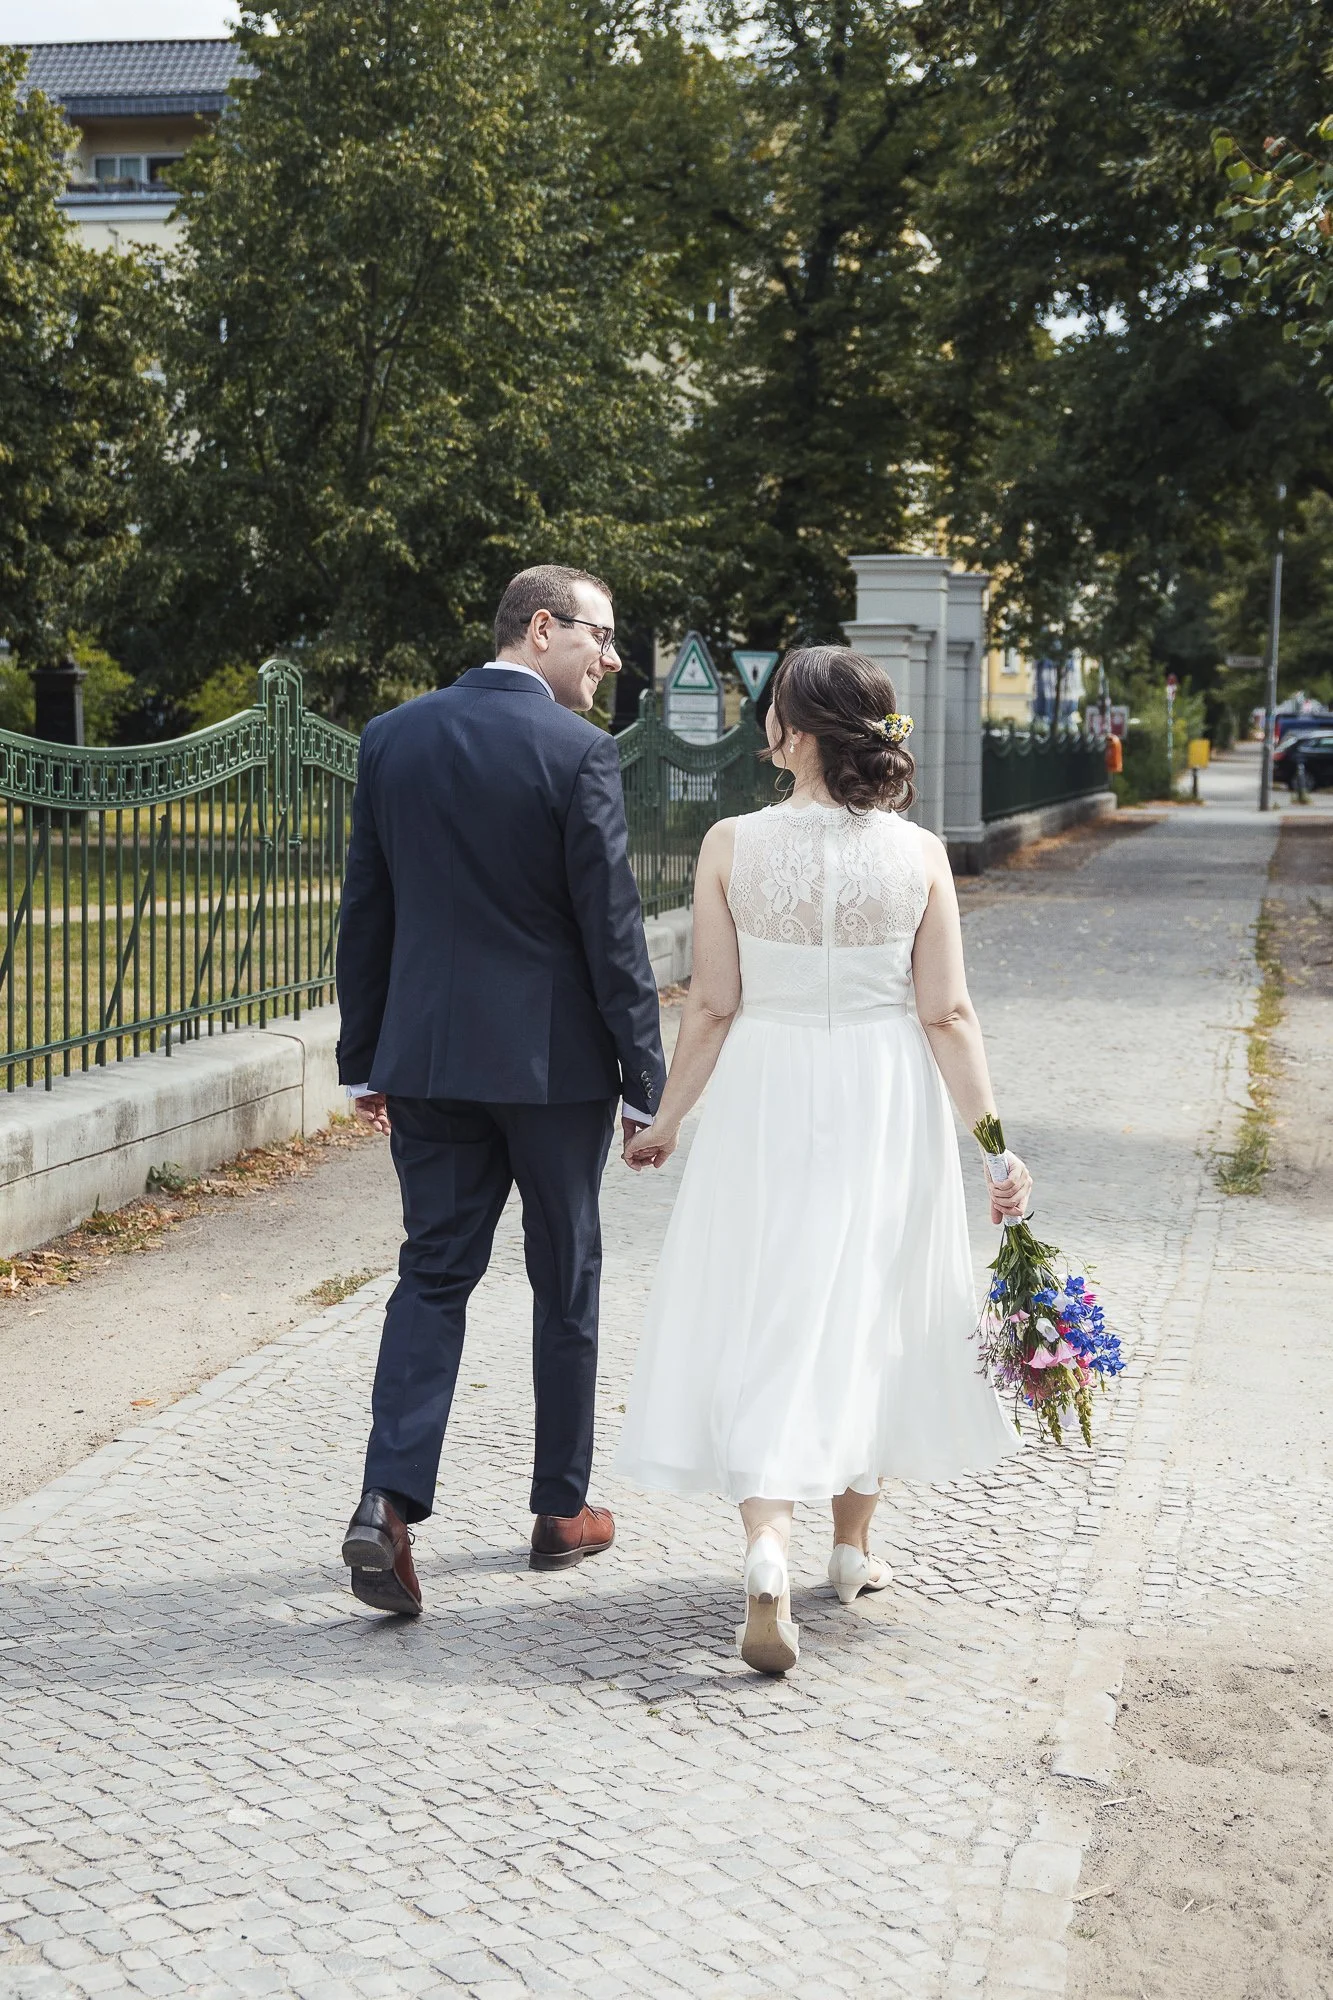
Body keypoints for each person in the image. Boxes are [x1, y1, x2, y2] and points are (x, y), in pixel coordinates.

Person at [616, 646, 1032, 1675]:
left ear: (789, 732)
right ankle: (850, 1549)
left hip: (768, 1088)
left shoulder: (729, 844)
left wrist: (666, 1118)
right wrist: (995, 1148)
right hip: (886, 1093)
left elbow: (712, 1003)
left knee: (771, 1306)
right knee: (872, 1306)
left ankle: (769, 1543)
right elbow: (945, 1011)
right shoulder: (921, 855)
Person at [335, 565, 666, 1615]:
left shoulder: (391, 738)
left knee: (432, 1272)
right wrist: (645, 1080)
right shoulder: (579, 753)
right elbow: (612, 929)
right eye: (601, 637)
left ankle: (385, 1504)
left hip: (427, 1057)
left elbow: (366, 909)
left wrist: (363, 1055)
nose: (611, 659)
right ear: (541, 626)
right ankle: (560, 1511)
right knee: (564, 1273)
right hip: (554, 1066)